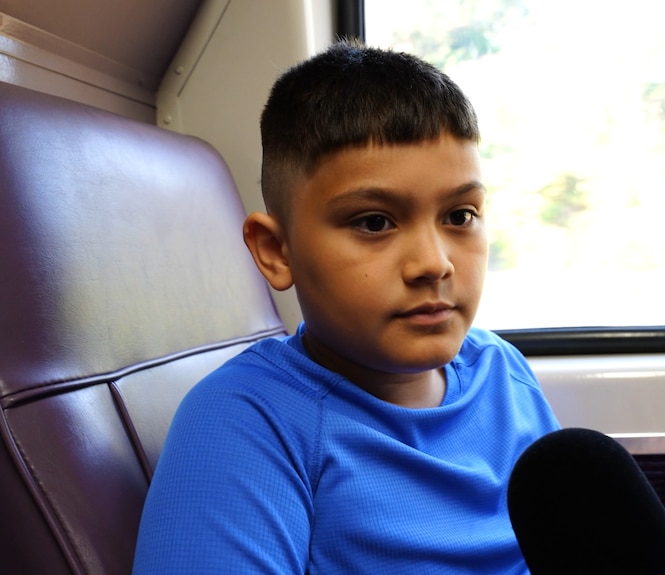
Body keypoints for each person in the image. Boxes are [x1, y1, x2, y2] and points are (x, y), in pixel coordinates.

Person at [132, 39, 561, 574]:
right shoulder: (244, 422)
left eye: (460, 216)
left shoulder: (502, 372)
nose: (434, 263)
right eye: (374, 222)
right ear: (277, 251)